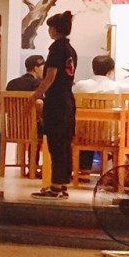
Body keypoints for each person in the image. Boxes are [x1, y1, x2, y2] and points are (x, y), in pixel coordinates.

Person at [33, 10, 78, 197]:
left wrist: (34, 97)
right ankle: (62, 185)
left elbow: (49, 77)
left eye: (50, 28)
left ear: (54, 29)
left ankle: (55, 187)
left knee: (56, 144)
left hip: (56, 102)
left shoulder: (56, 49)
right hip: (68, 100)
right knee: (64, 144)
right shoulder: (70, 50)